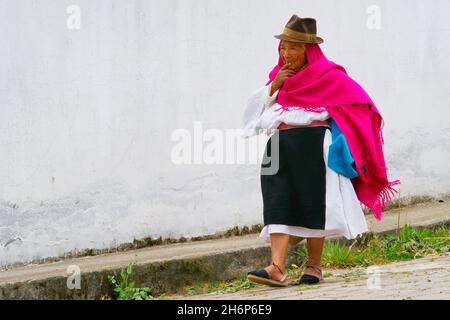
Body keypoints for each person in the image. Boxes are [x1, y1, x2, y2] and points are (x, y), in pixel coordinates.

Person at [242, 14, 400, 287]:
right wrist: (275, 86)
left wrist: (354, 136)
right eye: (283, 47)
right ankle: (277, 267)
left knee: (315, 203)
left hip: (315, 145)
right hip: (279, 146)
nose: (286, 53)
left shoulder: (330, 76)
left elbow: (363, 105)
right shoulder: (277, 79)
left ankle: (314, 266)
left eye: (293, 47)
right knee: (277, 200)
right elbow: (253, 118)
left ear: (309, 50)